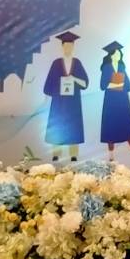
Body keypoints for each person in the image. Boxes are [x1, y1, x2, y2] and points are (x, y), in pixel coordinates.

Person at [42, 29, 88, 162]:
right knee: (58, 126)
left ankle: (73, 155)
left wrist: (74, 78)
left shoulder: (77, 63)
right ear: (62, 47)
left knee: (73, 127)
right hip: (59, 102)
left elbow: (84, 83)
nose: (68, 48)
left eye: (70, 46)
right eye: (66, 46)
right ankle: (56, 154)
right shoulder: (56, 63)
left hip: (73, 102)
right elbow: (48, 84)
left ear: (73, 47)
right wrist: (55, 91)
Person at [98, 40, 130, 164]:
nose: (119, 55)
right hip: (111, 101)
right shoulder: (106, 68)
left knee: (127, 126)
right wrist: (114, 85)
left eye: (120, 53)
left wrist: (122, 85)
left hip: (123, 100)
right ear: (112, 55)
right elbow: (102, 85)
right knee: (111, 127)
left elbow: (129, 86)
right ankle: (111, 156)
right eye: (117, 53)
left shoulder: (122, 67)